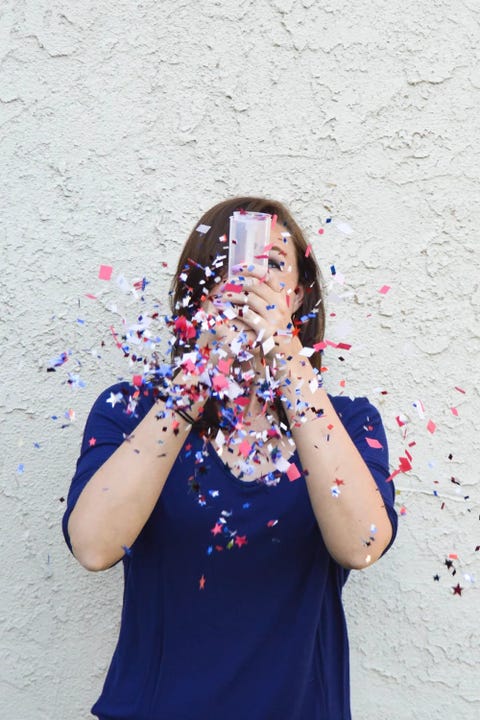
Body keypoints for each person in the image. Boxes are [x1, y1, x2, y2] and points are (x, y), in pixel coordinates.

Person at [63, 196, 397, 720]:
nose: (246, 283)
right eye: (227, 265)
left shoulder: (349, 423)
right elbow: (93, 546)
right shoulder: (130, 410)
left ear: (299, 294)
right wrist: (202, 373)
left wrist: (285, 355)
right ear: (197, 290)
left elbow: (362, 545)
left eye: (271, 266)